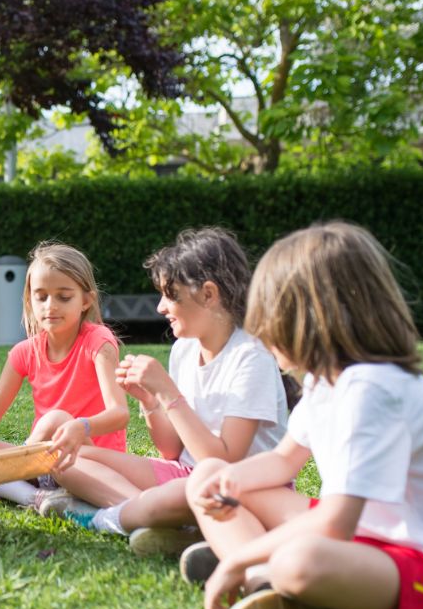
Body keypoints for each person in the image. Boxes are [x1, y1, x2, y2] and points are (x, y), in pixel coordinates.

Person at [185, 222, 423, 609]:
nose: (258, 332)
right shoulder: (323, 382)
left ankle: (265, 572)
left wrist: (238, 556)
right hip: (365, 539)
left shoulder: (372, 388)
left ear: (306, 319)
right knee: (209, 473)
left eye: (267, 318)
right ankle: (264, 584)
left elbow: (334, 522)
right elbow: (283, 462)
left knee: (301, 562)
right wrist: (229, 484)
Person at [42, 228, 288, 557]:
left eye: (170, 295)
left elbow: (222, 461)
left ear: (209, 294)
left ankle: (119, 517)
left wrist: (168, 393)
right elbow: (172, 450)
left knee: (185, 489)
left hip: (239, 485)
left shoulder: (251, 357)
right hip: (184, 475)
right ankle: (161, 521)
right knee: (64, 458)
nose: (161, 307)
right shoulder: (184, 350)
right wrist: (149, 401)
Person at [0, 241, 128, 506]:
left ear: (86, 300)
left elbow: (119, 415)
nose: (50, 306)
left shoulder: (98, 341)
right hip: (38, 458)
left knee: (55, 420)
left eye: (63, 297)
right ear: (29, 300)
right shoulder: (24, 352)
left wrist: (79, 426)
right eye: (41, 296)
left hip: (90, 461)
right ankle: (32, 495)